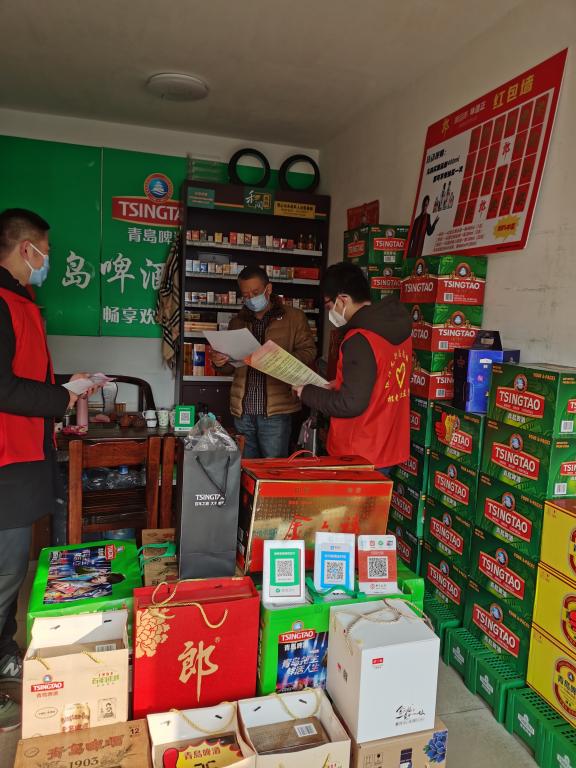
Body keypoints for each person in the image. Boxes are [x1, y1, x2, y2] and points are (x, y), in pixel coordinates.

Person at [0, 208, 96, 730]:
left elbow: (24, 376)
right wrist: (61, 397)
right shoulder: (1, 304)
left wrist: (65, 386)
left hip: (22, 454)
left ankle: (4, 654)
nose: (47, 262)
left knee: (12, 568)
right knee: (6, 569)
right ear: (25, 249)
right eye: (46, 252)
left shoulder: (20, 301)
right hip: (6, 458)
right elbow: (4, 388)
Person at [296, 262, 412, 474]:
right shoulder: (396, 329)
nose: (330, 313)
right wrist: (339, 383)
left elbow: (350, 404)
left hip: (359, 451)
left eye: (329, 306)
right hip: (388, 443)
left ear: (343, 299)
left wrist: (307, 393)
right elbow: (379, 379)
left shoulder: (360, 338)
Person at [211, 266, 316, 458]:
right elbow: (230, 368)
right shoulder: (237, 322)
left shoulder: (294, 317)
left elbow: (309, 352)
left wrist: (281, 360)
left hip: (276, 412)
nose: (251, 298)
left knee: (273, 469)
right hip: (243, 411)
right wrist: (220, 362)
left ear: (268, 289)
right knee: (246, 468)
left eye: (255, 292)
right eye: (246, 295)